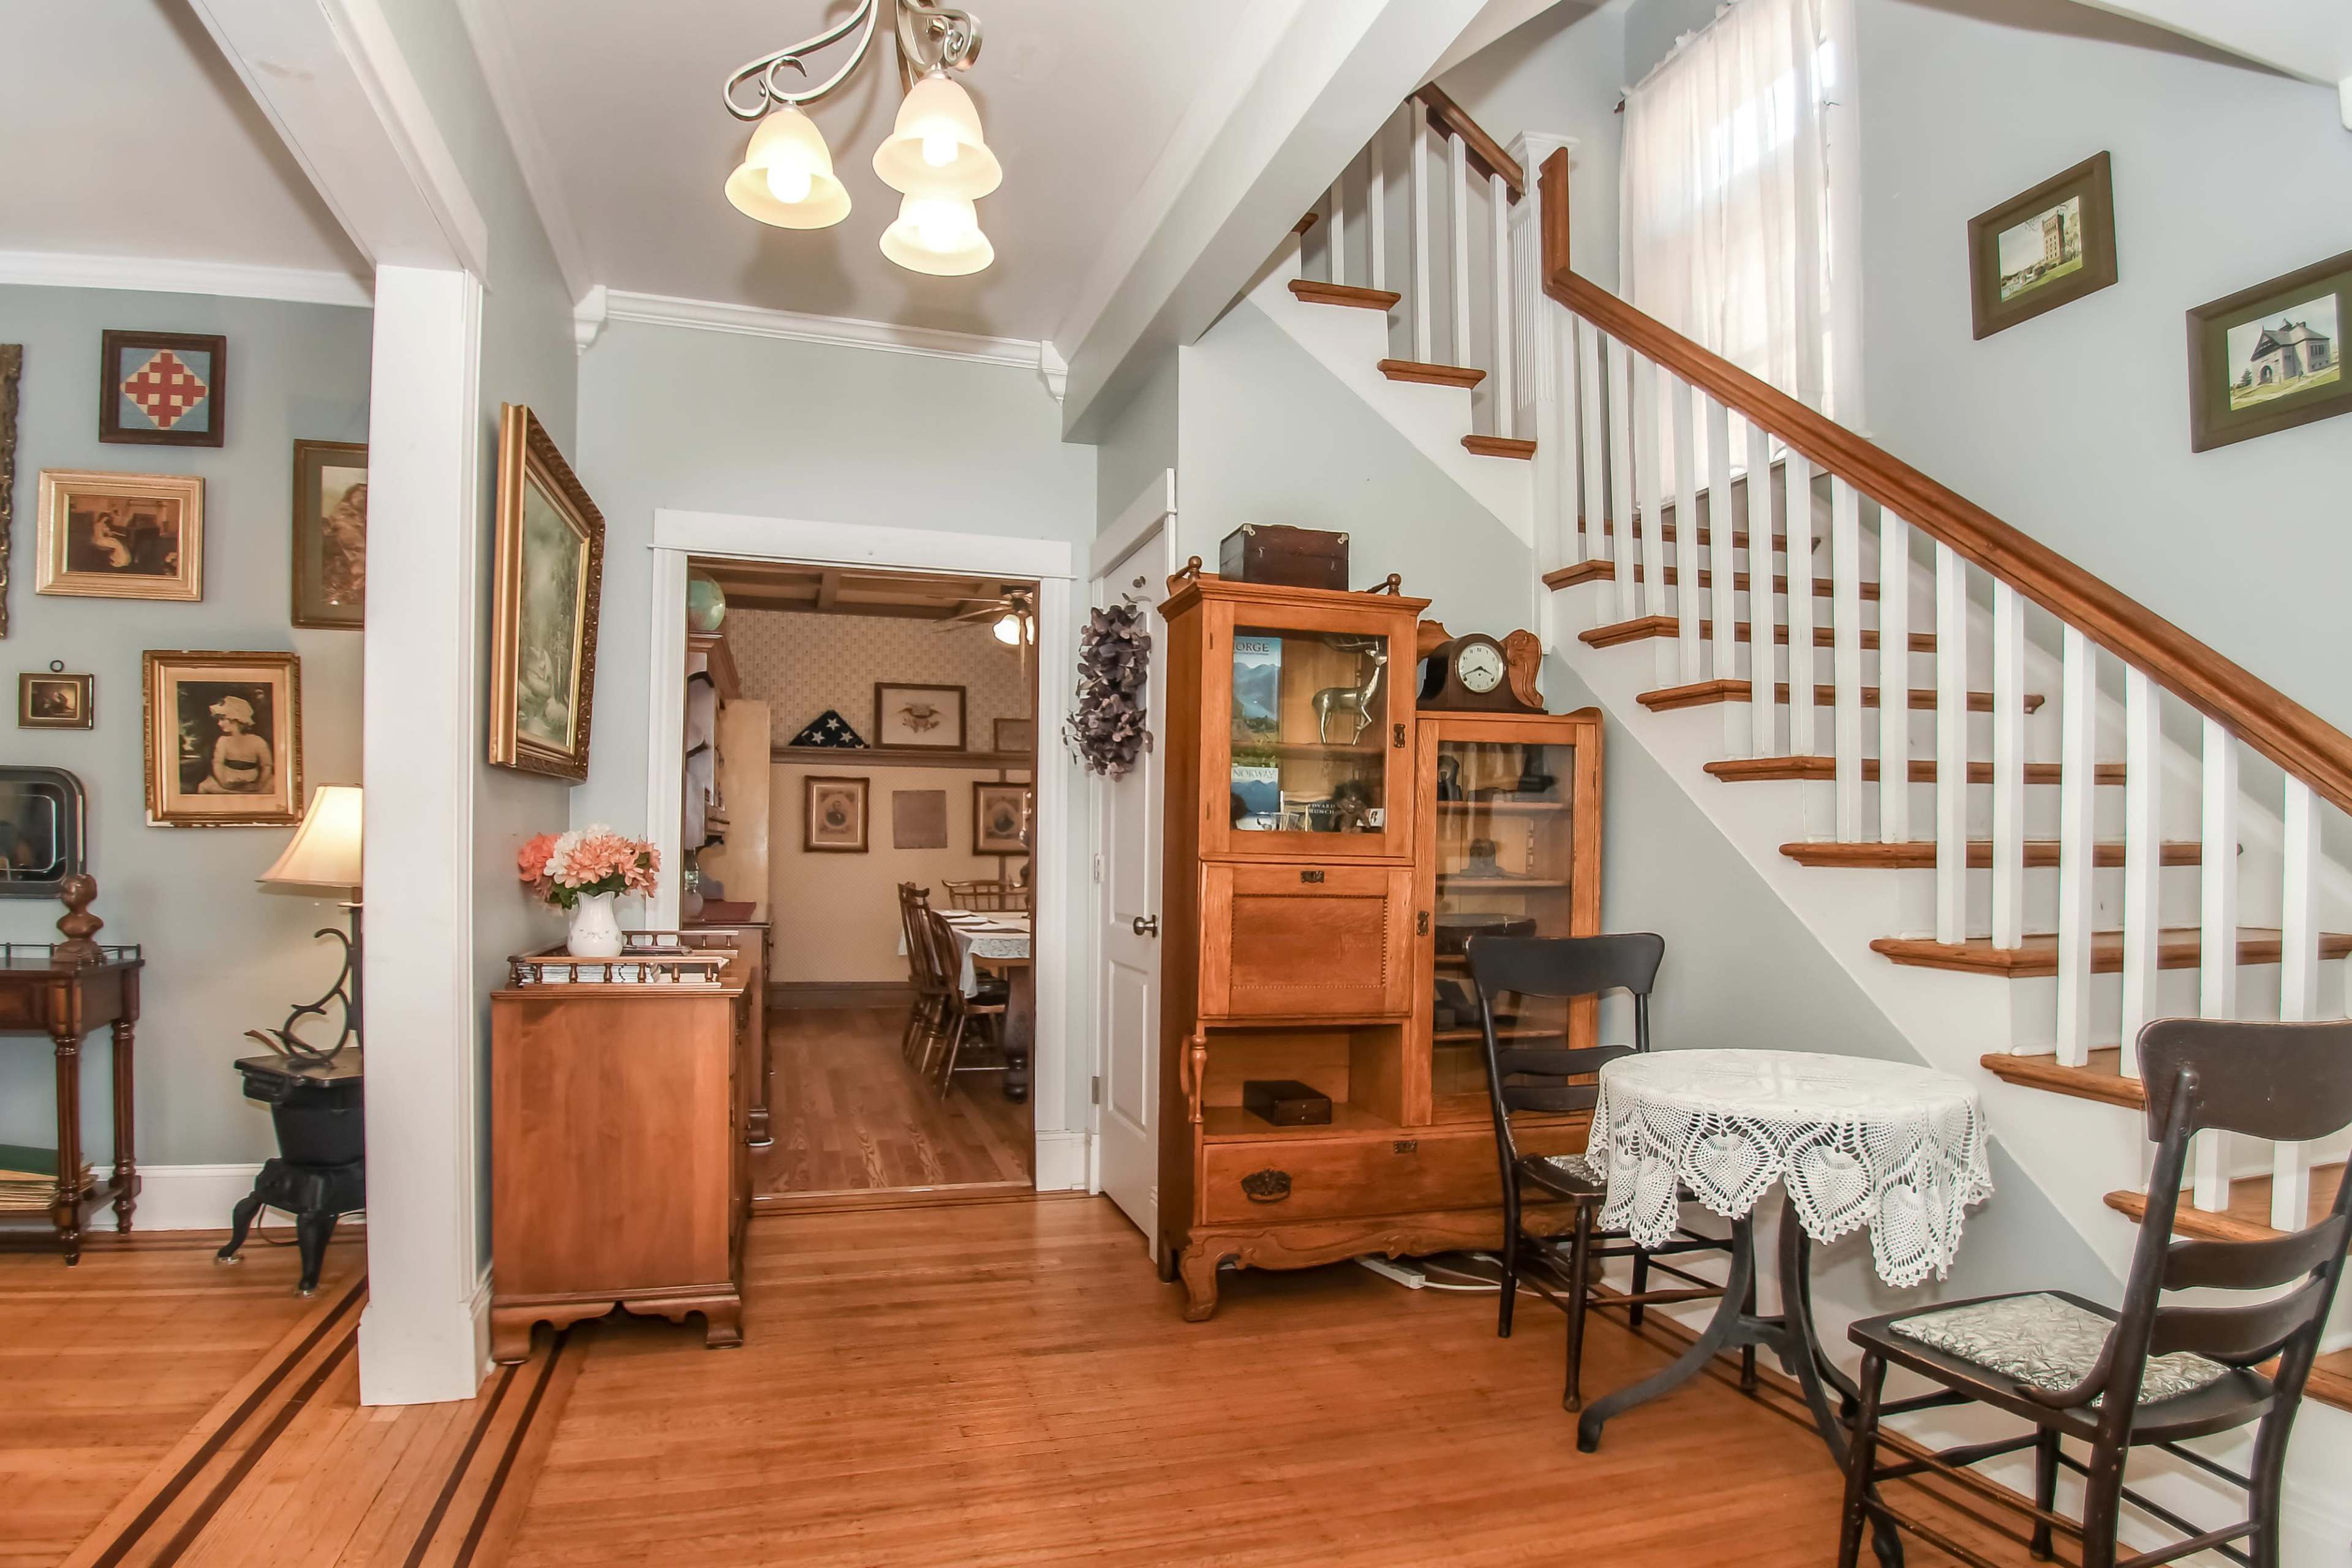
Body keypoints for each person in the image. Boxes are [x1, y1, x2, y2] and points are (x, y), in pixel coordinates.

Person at [196, 695, 273, 794]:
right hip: (227, 777)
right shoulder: (223, 741)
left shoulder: (258, 741)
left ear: (235, 719)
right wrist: (223, 783)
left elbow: (266, 765)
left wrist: (259, 785)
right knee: (204, 786)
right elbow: (218, 763)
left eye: (222, 719)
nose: (219, 723)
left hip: (253, 778)